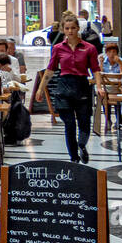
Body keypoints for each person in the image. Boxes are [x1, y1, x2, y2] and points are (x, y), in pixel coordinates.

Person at [42, 13, 100, 163]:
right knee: (69, 124)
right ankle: (73, 157)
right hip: (64, 86)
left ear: (78, 28)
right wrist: (40, 89)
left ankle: (82, 145)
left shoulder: (89, 48)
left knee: (84, 122)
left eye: (73, 28)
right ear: (63, 29)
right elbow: (50, 69)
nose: (70, 31)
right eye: (67, 28)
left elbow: (95, 69)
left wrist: (100, 86)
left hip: (81, 85)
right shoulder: (58, 48)